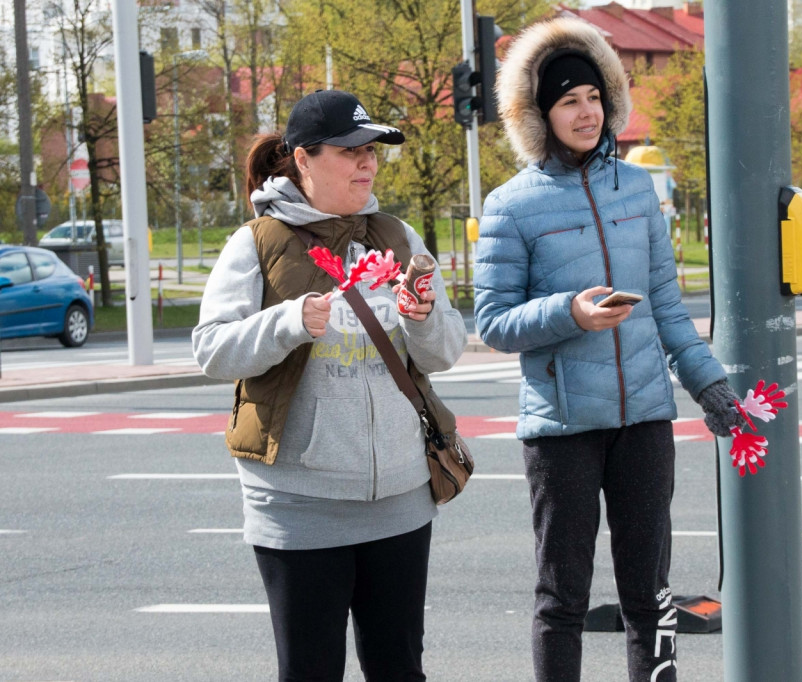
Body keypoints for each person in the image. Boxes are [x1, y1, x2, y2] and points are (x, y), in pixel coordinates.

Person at [473, 18, 744, 682]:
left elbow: (665, 305)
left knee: (650, 596)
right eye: (569, 100)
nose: (585, 111)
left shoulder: (637, 190)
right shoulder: (511, 206)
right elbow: (493, 322)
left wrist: (708, 383)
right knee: (561, 598)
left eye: (593, 97)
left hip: (645, 423)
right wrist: (570, 313)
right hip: (562, 430)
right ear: (541, 113)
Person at [193, 89, 467, 681]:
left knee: (400, 671)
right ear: (303, 158)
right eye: (350, 151)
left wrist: (424, 322)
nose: (367, 163)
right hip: (299, 505)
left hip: (399, 498)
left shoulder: (397, 238)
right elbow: (211, 349)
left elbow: (445, 353)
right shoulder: (259, 241)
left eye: (372, 150)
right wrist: (288, 322)